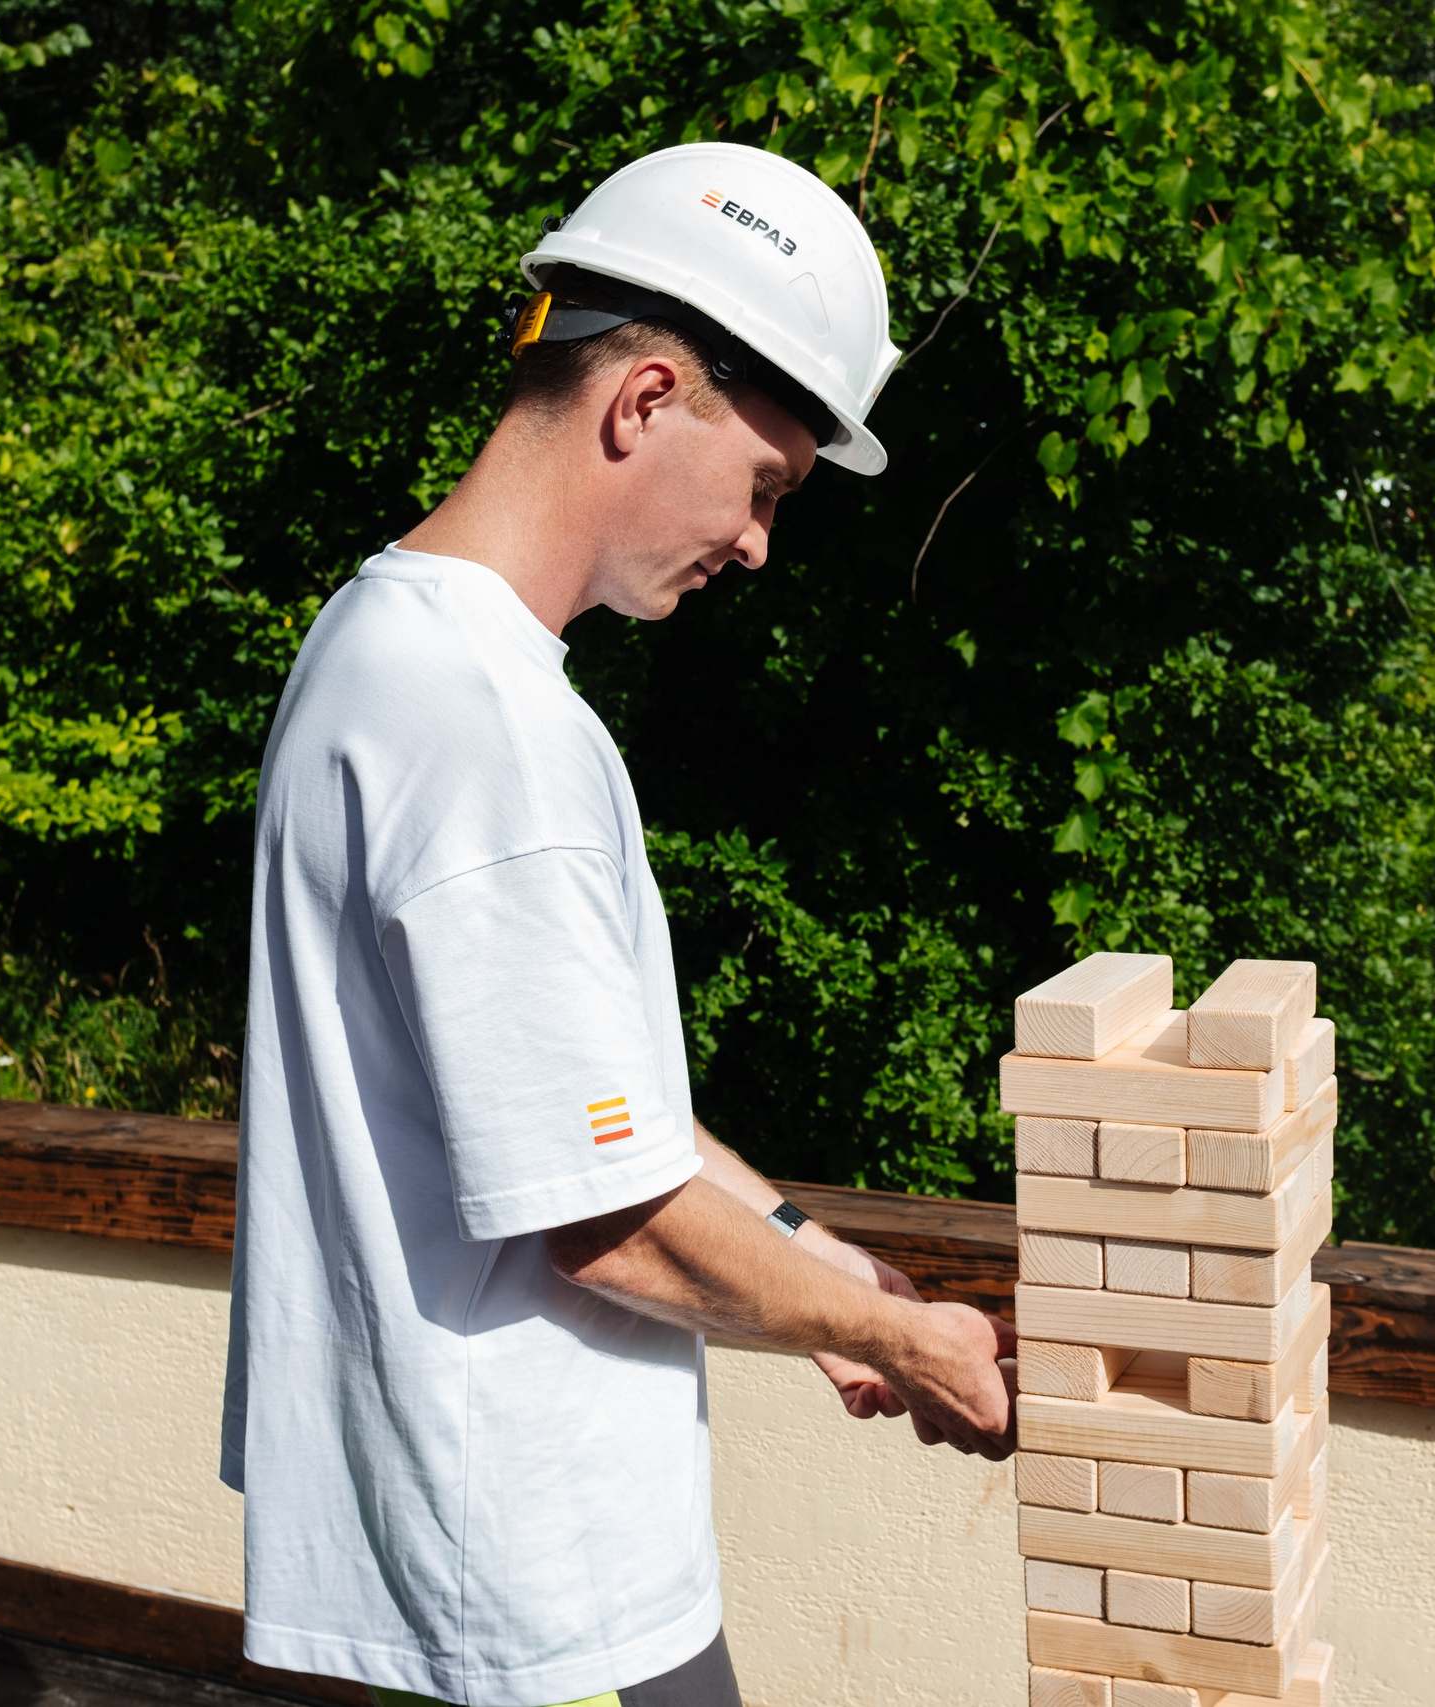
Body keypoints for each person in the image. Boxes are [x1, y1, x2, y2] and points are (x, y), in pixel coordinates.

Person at [221, 143, 1014, 1707]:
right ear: (646, 400)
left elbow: (593, 1113)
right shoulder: (483, 727)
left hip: (480, 1561)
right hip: (531, 1602)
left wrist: (817, 1256)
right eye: (769, 484)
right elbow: (605, 1216)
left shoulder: (378, 637)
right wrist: (894, 1339)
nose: (762, 542)